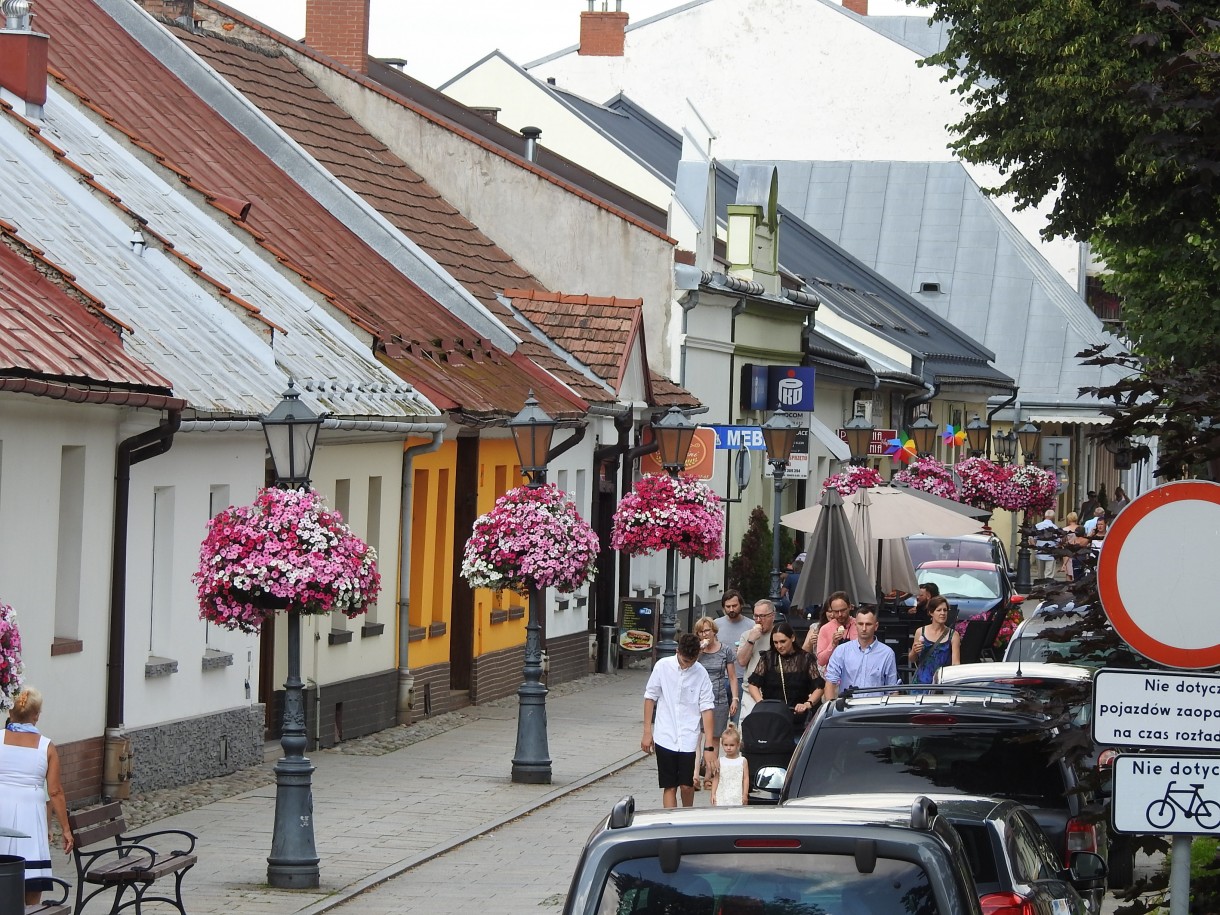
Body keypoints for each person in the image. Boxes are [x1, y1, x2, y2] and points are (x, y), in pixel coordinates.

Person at [0, 686, 73, 907]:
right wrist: (65, 829)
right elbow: (55, 791)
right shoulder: (46, 747)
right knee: (32, 882)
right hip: (30, 815)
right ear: (36, 716)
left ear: (10, 713)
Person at [642, 632, 717, 809]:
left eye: (692, 661)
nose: (688, 665)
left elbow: (707, 708)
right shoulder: (662, 667)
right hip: (665, 734)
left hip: (688, 736)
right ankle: (670, 823)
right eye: (684, 661)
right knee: (669, 785)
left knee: (687, 784)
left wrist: (709, 746)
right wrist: (647, 732)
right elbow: (650, 697)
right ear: (677, 651)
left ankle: (687, 817)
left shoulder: (701, 673)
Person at [747, 622, 824, 733]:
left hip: (798, 716)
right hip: (772, 716)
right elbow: (753, 684)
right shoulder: (768, 658)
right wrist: (761, 703)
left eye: (783, 641)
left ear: (792, 638)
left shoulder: (806, 658)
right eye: (775, 642)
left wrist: (807, 704)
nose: (779, 646)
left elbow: (819, 686)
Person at [693, 616, 738, 786]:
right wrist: (698, 650)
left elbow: (732, 677)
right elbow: (688, 667)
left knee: (713, 738)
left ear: (714, 631)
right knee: (696, 736)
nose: (704, 634)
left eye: (707, 631)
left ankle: (709, 775)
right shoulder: (697, 650)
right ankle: (695, 775)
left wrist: (734, 698)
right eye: (701, 632)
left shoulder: (724, 650)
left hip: (718, 698)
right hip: (698, 699)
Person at [823, 607, 899, 701]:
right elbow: (830, 682)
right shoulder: (841, 650)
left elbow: (892, 690)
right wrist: (831, 708)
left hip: (875, 708)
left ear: (876, 626)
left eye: (868, 624)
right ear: (855, 625)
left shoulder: (887, 653)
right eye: (860, 624)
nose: (864, 628)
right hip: (847, 708)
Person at [908, 596, 961, 683]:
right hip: (921, 682)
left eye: (945, 610)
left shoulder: (953, 635)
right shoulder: (921, 631)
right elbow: (912, 659)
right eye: (939, 610)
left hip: (941, 683)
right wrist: (914, 651)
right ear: (931, 613)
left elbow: (955, 663)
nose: (943, 613)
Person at [804, 591, 857, 674]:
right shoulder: (825, 629)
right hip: (834, 678)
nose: (839, 614)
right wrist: (832, 644)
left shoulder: (859, 625)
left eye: (843, 610)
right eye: (836, 611)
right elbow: (821, 661)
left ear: (850, 607)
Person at [710, 723, 749, 807]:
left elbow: (745, 778)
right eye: (726, 745)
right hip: (722, 795)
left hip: (737, 796)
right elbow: (716, 778)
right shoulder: (720, 761)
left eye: (732, 745)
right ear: (722, 745)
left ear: (738, 745)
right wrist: (713, 794)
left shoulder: (742, 761)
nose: (728, 748)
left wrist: (745, 794)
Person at [1033, 509, 1059, 582]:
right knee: (1049, 574)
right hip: (1050, 553)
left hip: (1040, 552)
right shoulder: (1054, 527)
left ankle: (1040, 587)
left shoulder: (1037, 526)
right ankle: (1047, 587)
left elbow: (1034, 539)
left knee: (1040, 574)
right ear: (1053, 517)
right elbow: (1058, 541)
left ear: (1044, 516)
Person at [1058, 512, 1081, 580]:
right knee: (1077, 573)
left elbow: (1062, 541)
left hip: (1068, 553)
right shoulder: (1080, 528)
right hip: (1078, 552)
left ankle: (1069, 588)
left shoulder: (1065, 529)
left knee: (1068, 574)